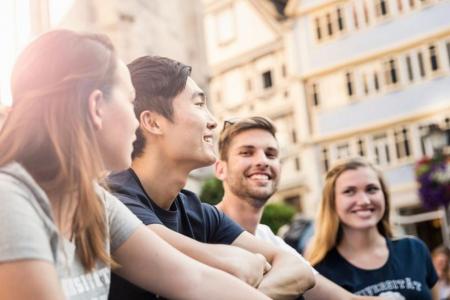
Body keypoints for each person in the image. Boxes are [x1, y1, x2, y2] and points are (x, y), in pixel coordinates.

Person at [0, 29, 271, 300]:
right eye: (130, 101)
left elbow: (193, 279)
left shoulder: (93, 202)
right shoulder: (9, 202)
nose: (135, 122)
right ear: (96, 107)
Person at [107, 56, 315, 300]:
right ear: (153, 122)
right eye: (198, 104)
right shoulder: (114, 199)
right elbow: (208, 273)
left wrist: (244, 291)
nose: (213, 122)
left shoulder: (200, 213)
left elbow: (300, 270)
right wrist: (241, 270)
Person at [214, 116, 388, 300]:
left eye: (271, 154)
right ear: (220, 169)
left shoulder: (270, 240)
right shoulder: (199, 229)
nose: (263, 161)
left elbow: (344, 298)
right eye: (246, 153)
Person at [305, 157, 439, 299]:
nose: (364, 201)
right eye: (349, 191)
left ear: (384, 196)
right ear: (332, 202)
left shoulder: (413, 250)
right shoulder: (321, 272)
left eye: (372, 189)